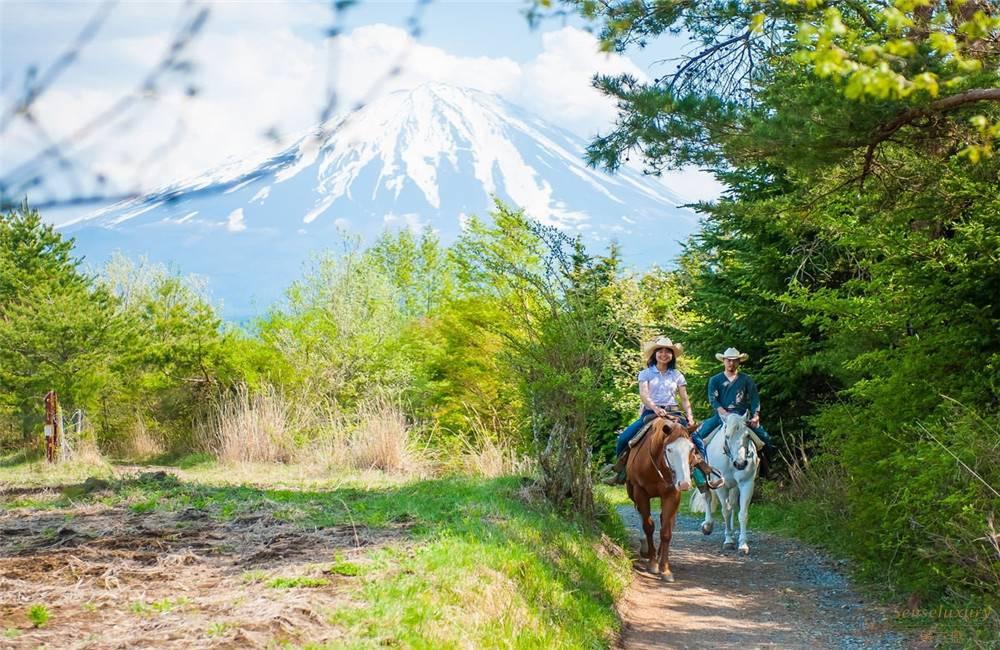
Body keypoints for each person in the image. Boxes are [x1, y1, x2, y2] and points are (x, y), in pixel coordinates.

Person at [604, 337, 723, 488]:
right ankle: (621, 473)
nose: (664, 354)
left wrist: (690, 417)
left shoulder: (677, 375)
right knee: (625, 438)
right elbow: (644, 395)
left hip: (674, 412)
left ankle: (704, 476)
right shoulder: (645, 373)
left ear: (672, 355)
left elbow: (685, 399)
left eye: (668, 351)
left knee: (697, 441)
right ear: (654, 354)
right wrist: (655, 409)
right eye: (660, 351)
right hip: (650, 412)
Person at [693, 347, 774, 455]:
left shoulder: (746, 379)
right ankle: (699, 465)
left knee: (765, 438)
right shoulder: (715, 379)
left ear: (739, 362)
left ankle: (765, 468)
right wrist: (724, 412)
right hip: (721, 416)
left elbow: (755, 398)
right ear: (724, 361)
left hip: (742, 416)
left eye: (735, 360)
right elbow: (713, 399)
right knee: (697, 435)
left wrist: (755, 416)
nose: (731, 363)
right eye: (729, 360)